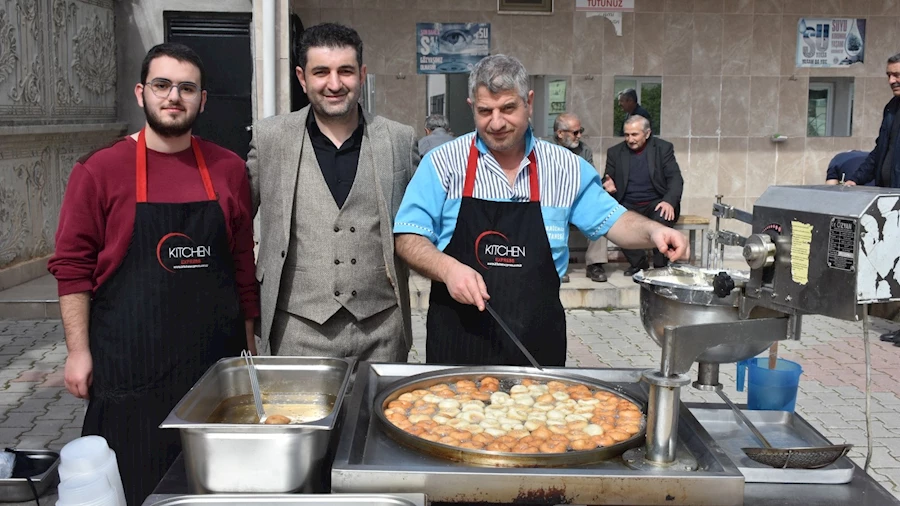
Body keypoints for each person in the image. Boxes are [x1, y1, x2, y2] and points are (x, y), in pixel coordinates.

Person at [48, 43, 258, 505]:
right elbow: (72, 268)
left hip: (213, 363)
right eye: (162, 85)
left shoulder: (228, 169)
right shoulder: (99, 170)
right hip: (130, 366)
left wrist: (250, 344)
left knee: (213, 487)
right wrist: (78, 352)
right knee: (133, 484)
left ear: (202, 100)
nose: (173, 97)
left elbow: (243, 261)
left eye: (187, 88)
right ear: (142, 92)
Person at [393, 54, 688, 367]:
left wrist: (654, 230)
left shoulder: (565, 168)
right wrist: (447, 269)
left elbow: (616, 221)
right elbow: (408, 237)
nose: (496, 122)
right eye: (484, 111)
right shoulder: (442, 164)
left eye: (508, 108)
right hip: (457, 343)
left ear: (529, 103)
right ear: (471, 107)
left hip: (536, 346)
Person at [248, 23, 418, 360]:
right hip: (295, 332)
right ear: (302, 77)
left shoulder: (399, 140)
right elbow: (234, 222)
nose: (335, 84)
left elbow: (424, 223)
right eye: (321, 72)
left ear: (362, 74)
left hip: (382, 331)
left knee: (377, 414)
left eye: (346, 71)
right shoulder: (271, 139)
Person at [846, 53, 900, 345]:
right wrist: (857, 178)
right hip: (891, 203)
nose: (891, 80)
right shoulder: (892, 108)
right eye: (889, 75)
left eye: (897, 75)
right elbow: (879, 152)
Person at [604, 115, 684, 276]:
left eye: (635, 134)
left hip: (656, 202)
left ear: (647, 134)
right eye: (627, 135)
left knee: (663, 216)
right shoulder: (615, 152)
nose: (630, 139)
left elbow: (675, 179)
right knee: (616, 219)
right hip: (627, 203)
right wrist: (607, 185)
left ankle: (661, 265)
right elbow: (606, 179)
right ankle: (638, 263)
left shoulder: (663, 149)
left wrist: (669, 201)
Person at [552, 113, 606, 283]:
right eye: (575, 132)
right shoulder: (546, 149)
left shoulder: (584, 150)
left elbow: (591, 178)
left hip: (578, 200)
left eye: (580, 131)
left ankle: (595, 265)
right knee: (551, 217)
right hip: (554, 201)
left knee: (600, 216)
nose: (579, 136)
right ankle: (555, 266)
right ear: (560, 133)